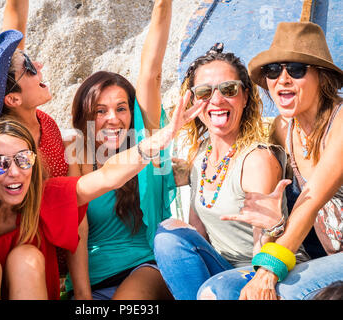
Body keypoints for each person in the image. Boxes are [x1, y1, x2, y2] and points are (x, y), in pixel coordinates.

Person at [0, 87, 202, 299]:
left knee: (25, 257)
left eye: (23, 159)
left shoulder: (44, 197)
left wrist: (157, 140)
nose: (14, 172)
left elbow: (106, 176)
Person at [196, 21, 343, 300]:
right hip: (321, 258)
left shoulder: (340, 122)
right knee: (216, 291)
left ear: (322, 78)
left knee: (277, 291)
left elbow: (309, 204)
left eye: (296, 70)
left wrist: (269, 270)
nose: (283, 79)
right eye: (274, 70)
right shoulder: (283, 129)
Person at [152, 42, 310, 300]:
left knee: (216, 291)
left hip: (270, 269)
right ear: (193, 101)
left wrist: (262, 276)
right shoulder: (200, 155)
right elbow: (197, 232)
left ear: (245, 96)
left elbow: (265, 243)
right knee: (168, 234)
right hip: (225, 268)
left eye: (229, 89)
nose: (216, 100)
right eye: (204, 92)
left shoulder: (256, 159)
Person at [0, 0, 88, 289]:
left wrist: (83, 295)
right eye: (30, 66)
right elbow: (12, 28)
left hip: (37, 262)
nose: (39, 64)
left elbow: (73, 208)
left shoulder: (49, 126)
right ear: (12, 99)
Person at [65, 0, 177, 300]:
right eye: (100, 110)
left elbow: (151, 71)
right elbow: (78, 234)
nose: (112, 118)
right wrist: (84, 298)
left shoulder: (146, 143)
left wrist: (162, 5)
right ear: (85, 115)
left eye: (121, 108)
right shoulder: (77, 155)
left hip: (143, 269)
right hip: (91, 282)